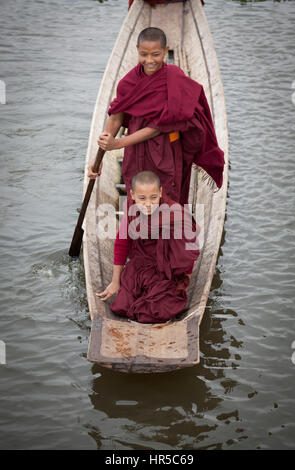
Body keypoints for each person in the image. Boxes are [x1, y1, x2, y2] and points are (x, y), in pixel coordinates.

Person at [88, 26, 224, 205]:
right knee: (137, 199)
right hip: (135, 153)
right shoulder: (128, 83)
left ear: (165, 51)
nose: (150, 60)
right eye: (144, 54)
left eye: (156, 54)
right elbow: (116, 116)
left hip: (166, 151)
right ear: (137, 50)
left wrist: (118, 143)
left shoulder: (174, 79)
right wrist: (99, 157)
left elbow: (158, 127)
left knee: (165, 198)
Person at [96, 170, 200, 324]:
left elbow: (188, 249)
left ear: (160, 192)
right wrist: (115, 281)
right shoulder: (131, 209)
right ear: (131, 194)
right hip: (140, 266)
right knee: (122, 305)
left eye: (153, 198)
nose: (148, 204)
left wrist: (185, 280)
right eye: (142, 198)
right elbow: (122, 242)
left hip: (167, 271)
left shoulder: (174, 213)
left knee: (159, 309)